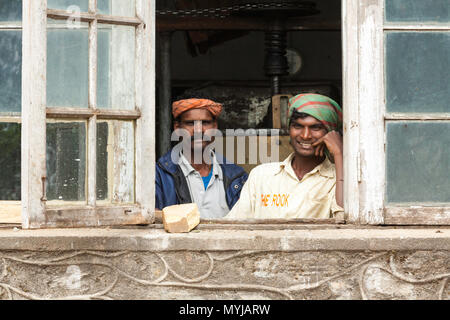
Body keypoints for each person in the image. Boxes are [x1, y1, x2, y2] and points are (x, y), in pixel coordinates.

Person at [226, 93, 343, 219]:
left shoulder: (338, 179)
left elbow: (345, 220)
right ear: (289, 129)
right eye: (298, 126)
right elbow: (235, 225)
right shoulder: (261, 176)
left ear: (330, 133)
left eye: (316, 127)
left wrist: (339, 154)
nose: (305, 135)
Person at [156, 98, 248, 219]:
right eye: (190, 123)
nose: (198, 130)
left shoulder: (237, 177)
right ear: (177, 128)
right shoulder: (159, 175)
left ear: (215, 127)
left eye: (205, 122)